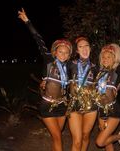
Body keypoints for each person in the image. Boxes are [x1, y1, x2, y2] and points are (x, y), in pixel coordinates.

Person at [18, 8, 72, 151]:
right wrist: (27, 22)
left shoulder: (70, 67)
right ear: (55, 52)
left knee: (57, 136)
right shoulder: (49, 60)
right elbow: (39, 39)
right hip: (47, 105)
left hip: (62, 106)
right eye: (60, 51)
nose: (63, 54)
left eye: (66, 53)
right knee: (58, 137)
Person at [67, 36, 98, 151]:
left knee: (85, 136)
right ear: (77, 50)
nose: (84, 49)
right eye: (81, 47)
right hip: (74, 106)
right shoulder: (70, 65)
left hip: (91, 107)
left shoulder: (96, 67)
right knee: (77, 140)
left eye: (87, 46)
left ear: (90, 48)